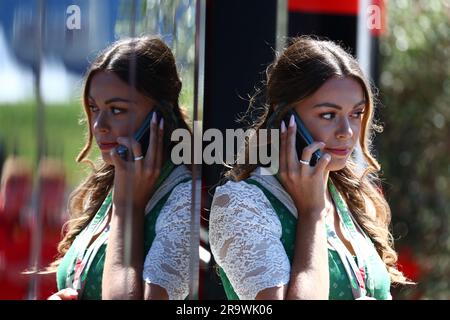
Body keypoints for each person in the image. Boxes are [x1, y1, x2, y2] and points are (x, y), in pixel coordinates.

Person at [209, 36, 411, 300]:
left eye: (356, 114)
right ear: (285, 118)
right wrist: (311, 212)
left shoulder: (353, 197)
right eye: (328, 115)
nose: (347, 132)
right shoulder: (241, 205)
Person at [47, 36, 192, 300]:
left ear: (160, 112)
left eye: (116, 110)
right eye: (94, 108)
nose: (98, 125)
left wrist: (127, 209)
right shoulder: (112, 181)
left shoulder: (183, 199)